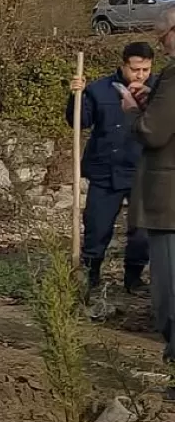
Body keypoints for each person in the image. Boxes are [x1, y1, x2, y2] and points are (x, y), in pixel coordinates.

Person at [68, 41, 152, 293]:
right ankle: (90, 277)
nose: (140, 75)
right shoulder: (99, 90)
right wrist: (75, 96)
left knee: (142, 231)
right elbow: (79, 122)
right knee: (97, 226)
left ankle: (134, 278)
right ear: (123, 64)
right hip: (105, 169)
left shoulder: (158, 90)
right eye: (135, 69)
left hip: (142, 170)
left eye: (145, 70)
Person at [124, 7, 175, 362]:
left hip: (169, 201)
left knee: (169, 293)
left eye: (165, 36)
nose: (164, 45)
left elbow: (154, 133)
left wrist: (133, 112)